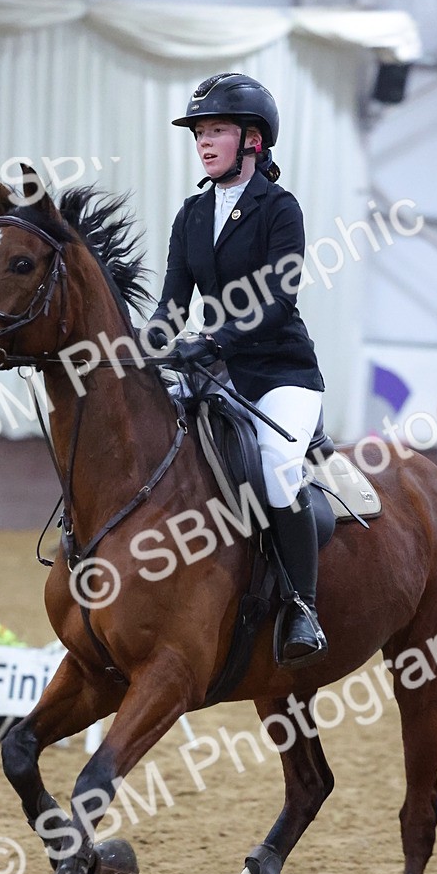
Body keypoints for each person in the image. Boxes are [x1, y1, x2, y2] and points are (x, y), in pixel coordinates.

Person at [145, 71, 328, 667]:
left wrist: (215, 337)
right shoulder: (192, 215)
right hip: (214, 374)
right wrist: (140, 347)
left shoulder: (280, 209)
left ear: (252, 140)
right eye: (199, 130)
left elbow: (278, 299)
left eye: (216, 129)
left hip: (281, 374)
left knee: (277, 469)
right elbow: (172, 306)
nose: (203, 140)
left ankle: (303, 606)